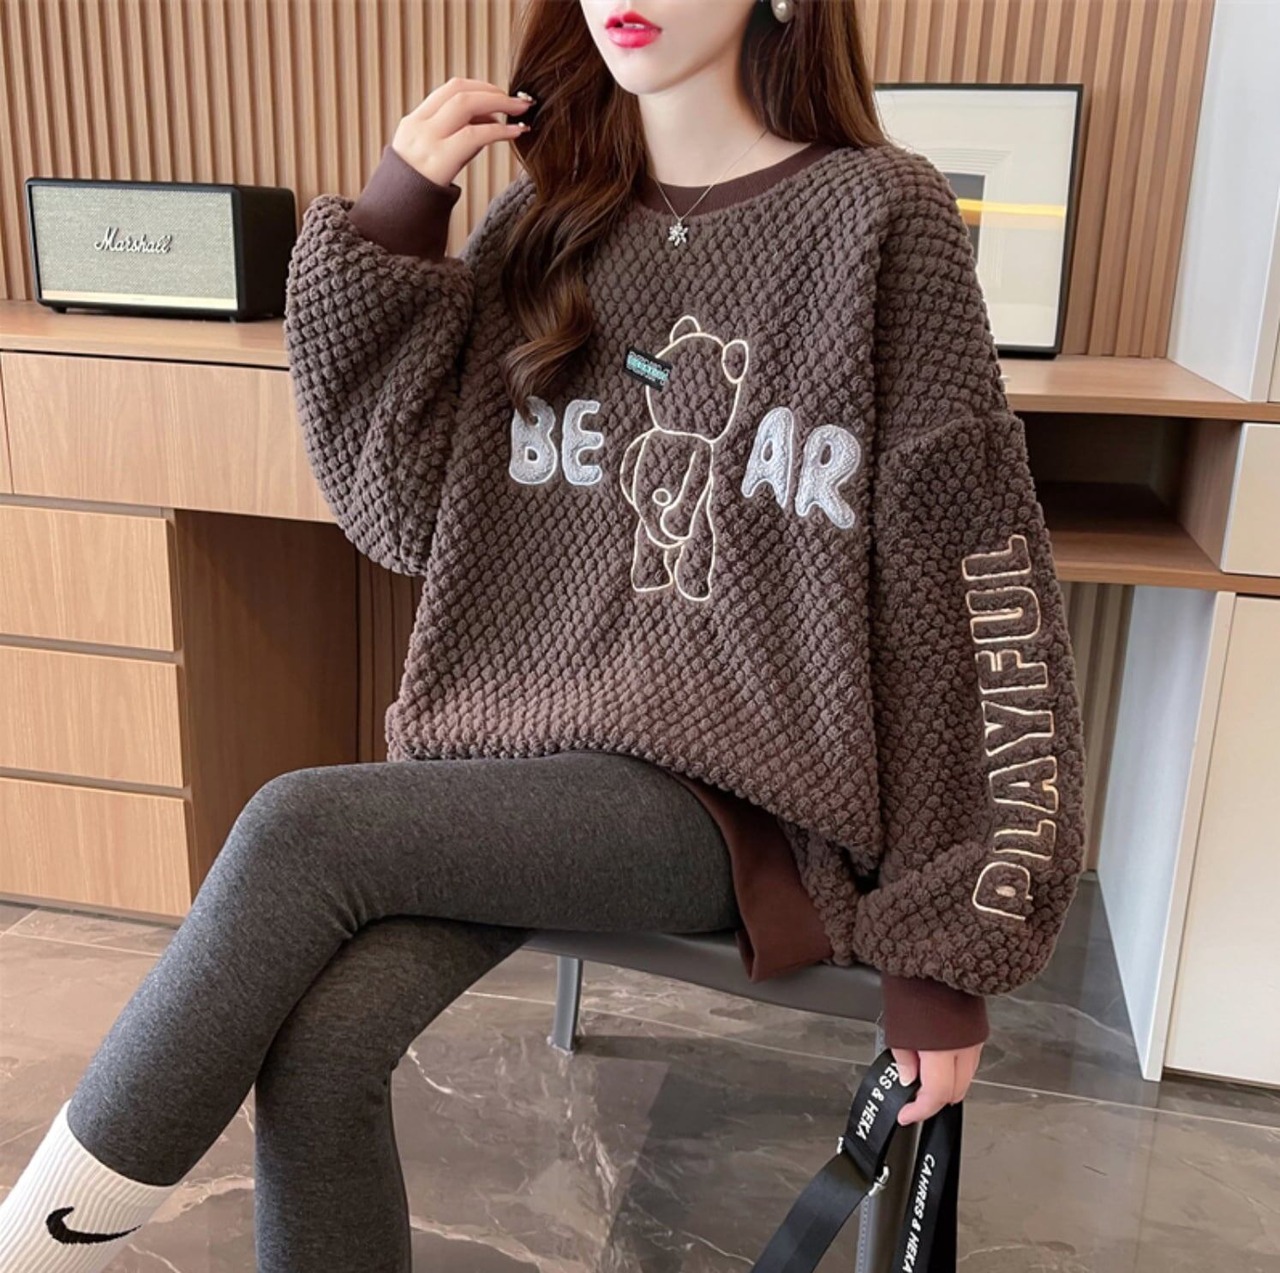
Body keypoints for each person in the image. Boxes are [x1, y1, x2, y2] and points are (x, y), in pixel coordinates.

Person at [0, 1, 1087, 1269]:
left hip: (730, 797)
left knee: (297, 826)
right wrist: (397, 218)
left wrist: (947, 950)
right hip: (521, 757)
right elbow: (400, 513)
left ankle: (34, 1246)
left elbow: (967, 585)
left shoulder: (879, 217)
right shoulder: (542, 223)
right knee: (323, 1043)